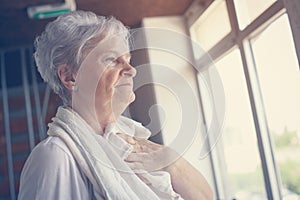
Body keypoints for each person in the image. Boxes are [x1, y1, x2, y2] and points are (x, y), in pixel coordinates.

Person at [18, 10, 213, 200]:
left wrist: (172, 163)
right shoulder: (54, 157)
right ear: (69, 77)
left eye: (128, 60)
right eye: (111, 59)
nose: (131, 70)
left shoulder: (133, 141)